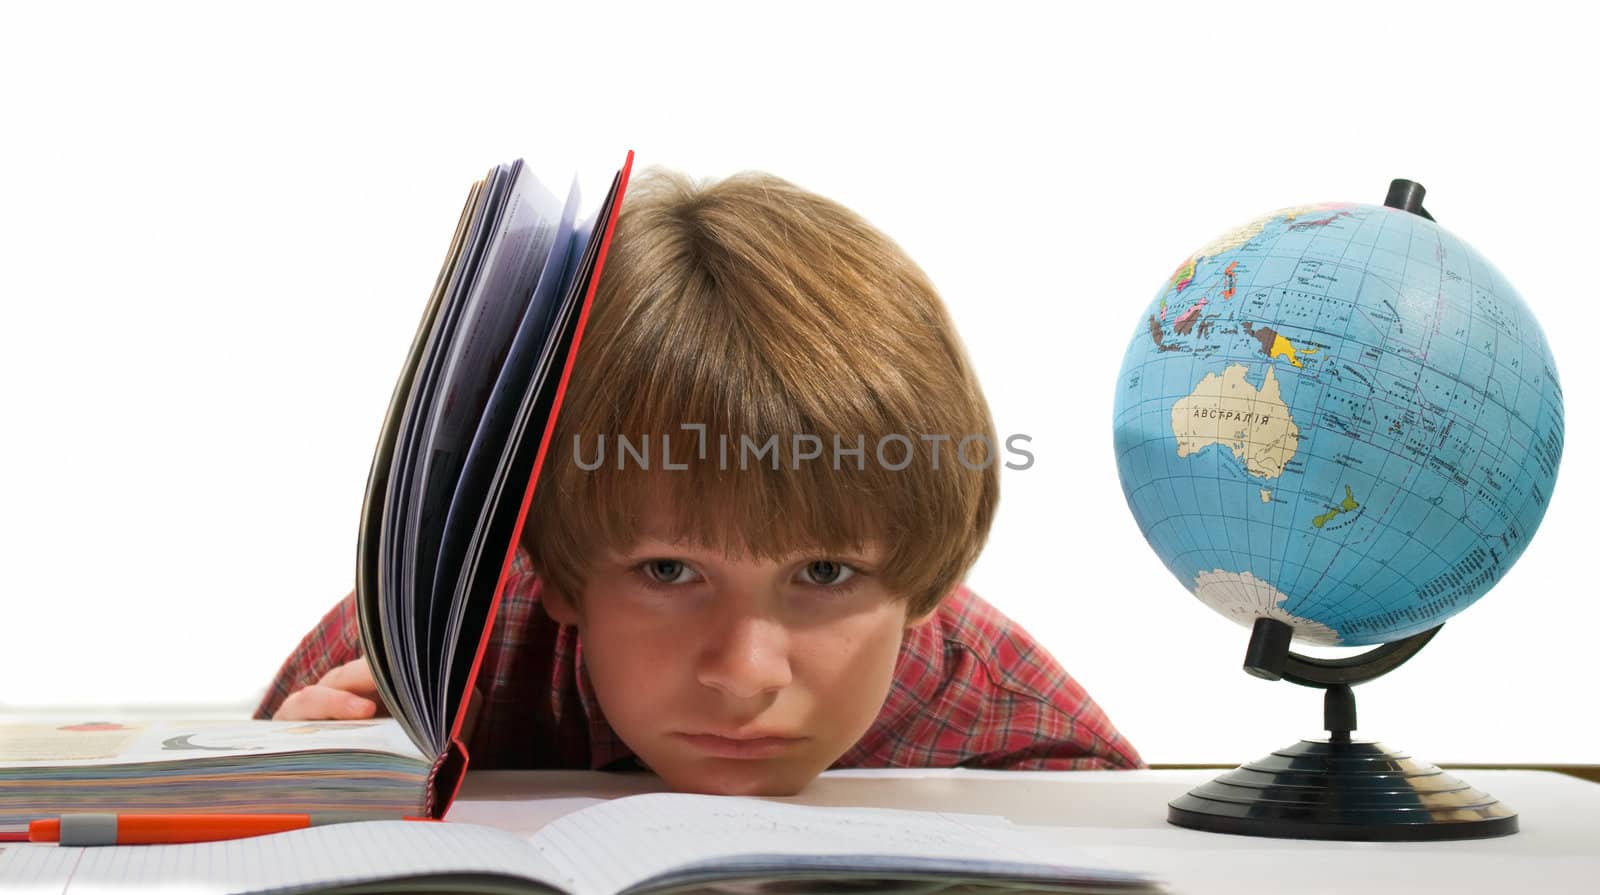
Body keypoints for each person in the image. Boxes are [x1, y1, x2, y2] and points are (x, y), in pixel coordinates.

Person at [256, 167, 1143, 796]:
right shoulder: (418, 648)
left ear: (929, 582)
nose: (746, 675)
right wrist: (292, 785)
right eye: (669, 570)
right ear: (558, 571)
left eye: (825, 572)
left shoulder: (1017, 735)